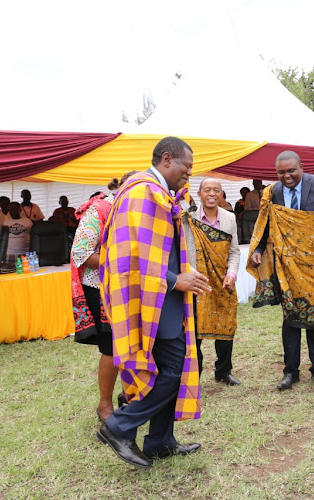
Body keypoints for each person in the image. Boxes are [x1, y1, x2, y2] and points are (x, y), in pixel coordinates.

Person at [98, 137, 210, 469]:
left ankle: (160, 441)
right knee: (173, 371)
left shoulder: (157, 194)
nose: (188, 176)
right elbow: (131, 258)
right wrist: (177, 280)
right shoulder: (140, 192)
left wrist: (183, 270)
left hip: (166, 299)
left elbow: (158, 249)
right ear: (166, 159)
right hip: (153, 303)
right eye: (185, 168)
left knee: (172, 368)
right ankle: (118, 427)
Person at [247, 150, 314, 391]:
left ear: (301, 167)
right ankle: (290, 371)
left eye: (291, 170)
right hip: (286, 265)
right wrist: (259, 249)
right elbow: (266, 224)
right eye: (281, 172)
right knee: (291, 317)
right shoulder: (272, 192)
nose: (287, 176)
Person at [71, 174, 135, 423]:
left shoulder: (134, 210)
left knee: (131, 344)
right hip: (102, 289)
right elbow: (81, 253)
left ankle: (128, 394)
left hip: (131, 288)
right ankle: (104, 406)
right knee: (112, 348)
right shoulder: (99, 209)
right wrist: (120, 263)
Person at [184, 178, 242, 386]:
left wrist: (231, 274)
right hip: (195, 282)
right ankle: (194, 375)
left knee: (226, 325)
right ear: (199, 194)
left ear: (221, 195)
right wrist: (190, 273)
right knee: (194, 330)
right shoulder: (187, 218)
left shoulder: (229, 218)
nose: (211, 194)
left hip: (222, 282)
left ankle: (223, 371)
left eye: (216, 190)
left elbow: (234, 251)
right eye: (207, 190)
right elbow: (180, 251)